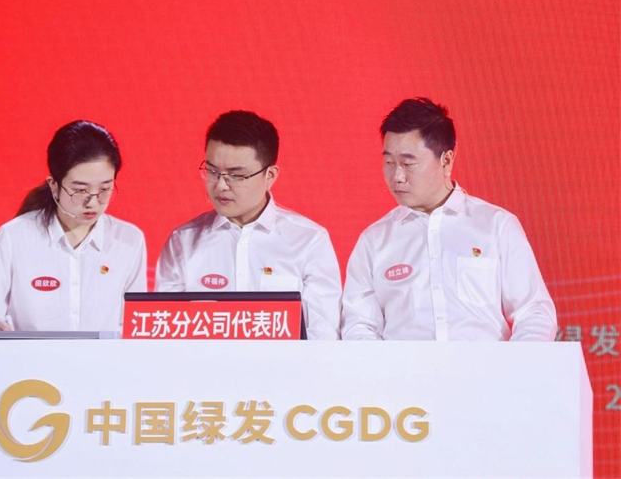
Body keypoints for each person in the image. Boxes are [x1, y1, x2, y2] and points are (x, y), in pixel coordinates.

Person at [341, 98, 556, 341]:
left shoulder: (496, 226)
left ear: (446, 160)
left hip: (485, 365)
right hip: (403, 367)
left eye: (408, 163)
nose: (397, 176)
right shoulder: (374, 240)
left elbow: (534, 312)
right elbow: (359, 325)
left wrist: (514, 363)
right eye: (390, 162)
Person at [155, 110, 341, 339]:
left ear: (270, 175)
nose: (221, 185)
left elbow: (323, 335)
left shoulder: (309, 240)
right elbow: (164, 330)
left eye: (236, 175)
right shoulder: (183, 242)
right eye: (212, 171)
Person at [0, 120, 146, 332]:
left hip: (103, 355)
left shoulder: (128, 240)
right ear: (54, 186)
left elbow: (135, 327)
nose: (93, 202)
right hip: (30, 355)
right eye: (80, 190)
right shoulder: (15, 237)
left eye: (105, 189)